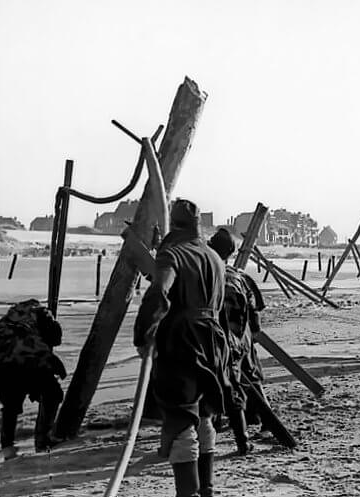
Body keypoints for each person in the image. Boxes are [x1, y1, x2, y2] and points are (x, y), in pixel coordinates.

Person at [133, 199, 228, 497]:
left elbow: (159, 293)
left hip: (182, 342)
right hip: (213, 340)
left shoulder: (172, 254)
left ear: (173, 224)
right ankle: (207, 490)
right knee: (202, 414)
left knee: (180, 418)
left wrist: (143, 335)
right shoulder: (214, 257)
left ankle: (188, 494)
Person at [207, 228, 267, 456]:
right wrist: (250, 337)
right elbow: (256, 315)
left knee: (217, 385)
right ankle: (258, 421)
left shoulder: (208, 276)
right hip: (241, 340)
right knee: (250, 377)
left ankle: (221, 430)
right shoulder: (241, 277)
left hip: (217, 340)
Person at [0, 299, 66, 460]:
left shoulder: (13, 316)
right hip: (27, 361)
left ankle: (7, 447)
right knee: (53, 394)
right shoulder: (44, 314)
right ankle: (42, 440)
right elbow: (56, 339)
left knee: (10, 407)